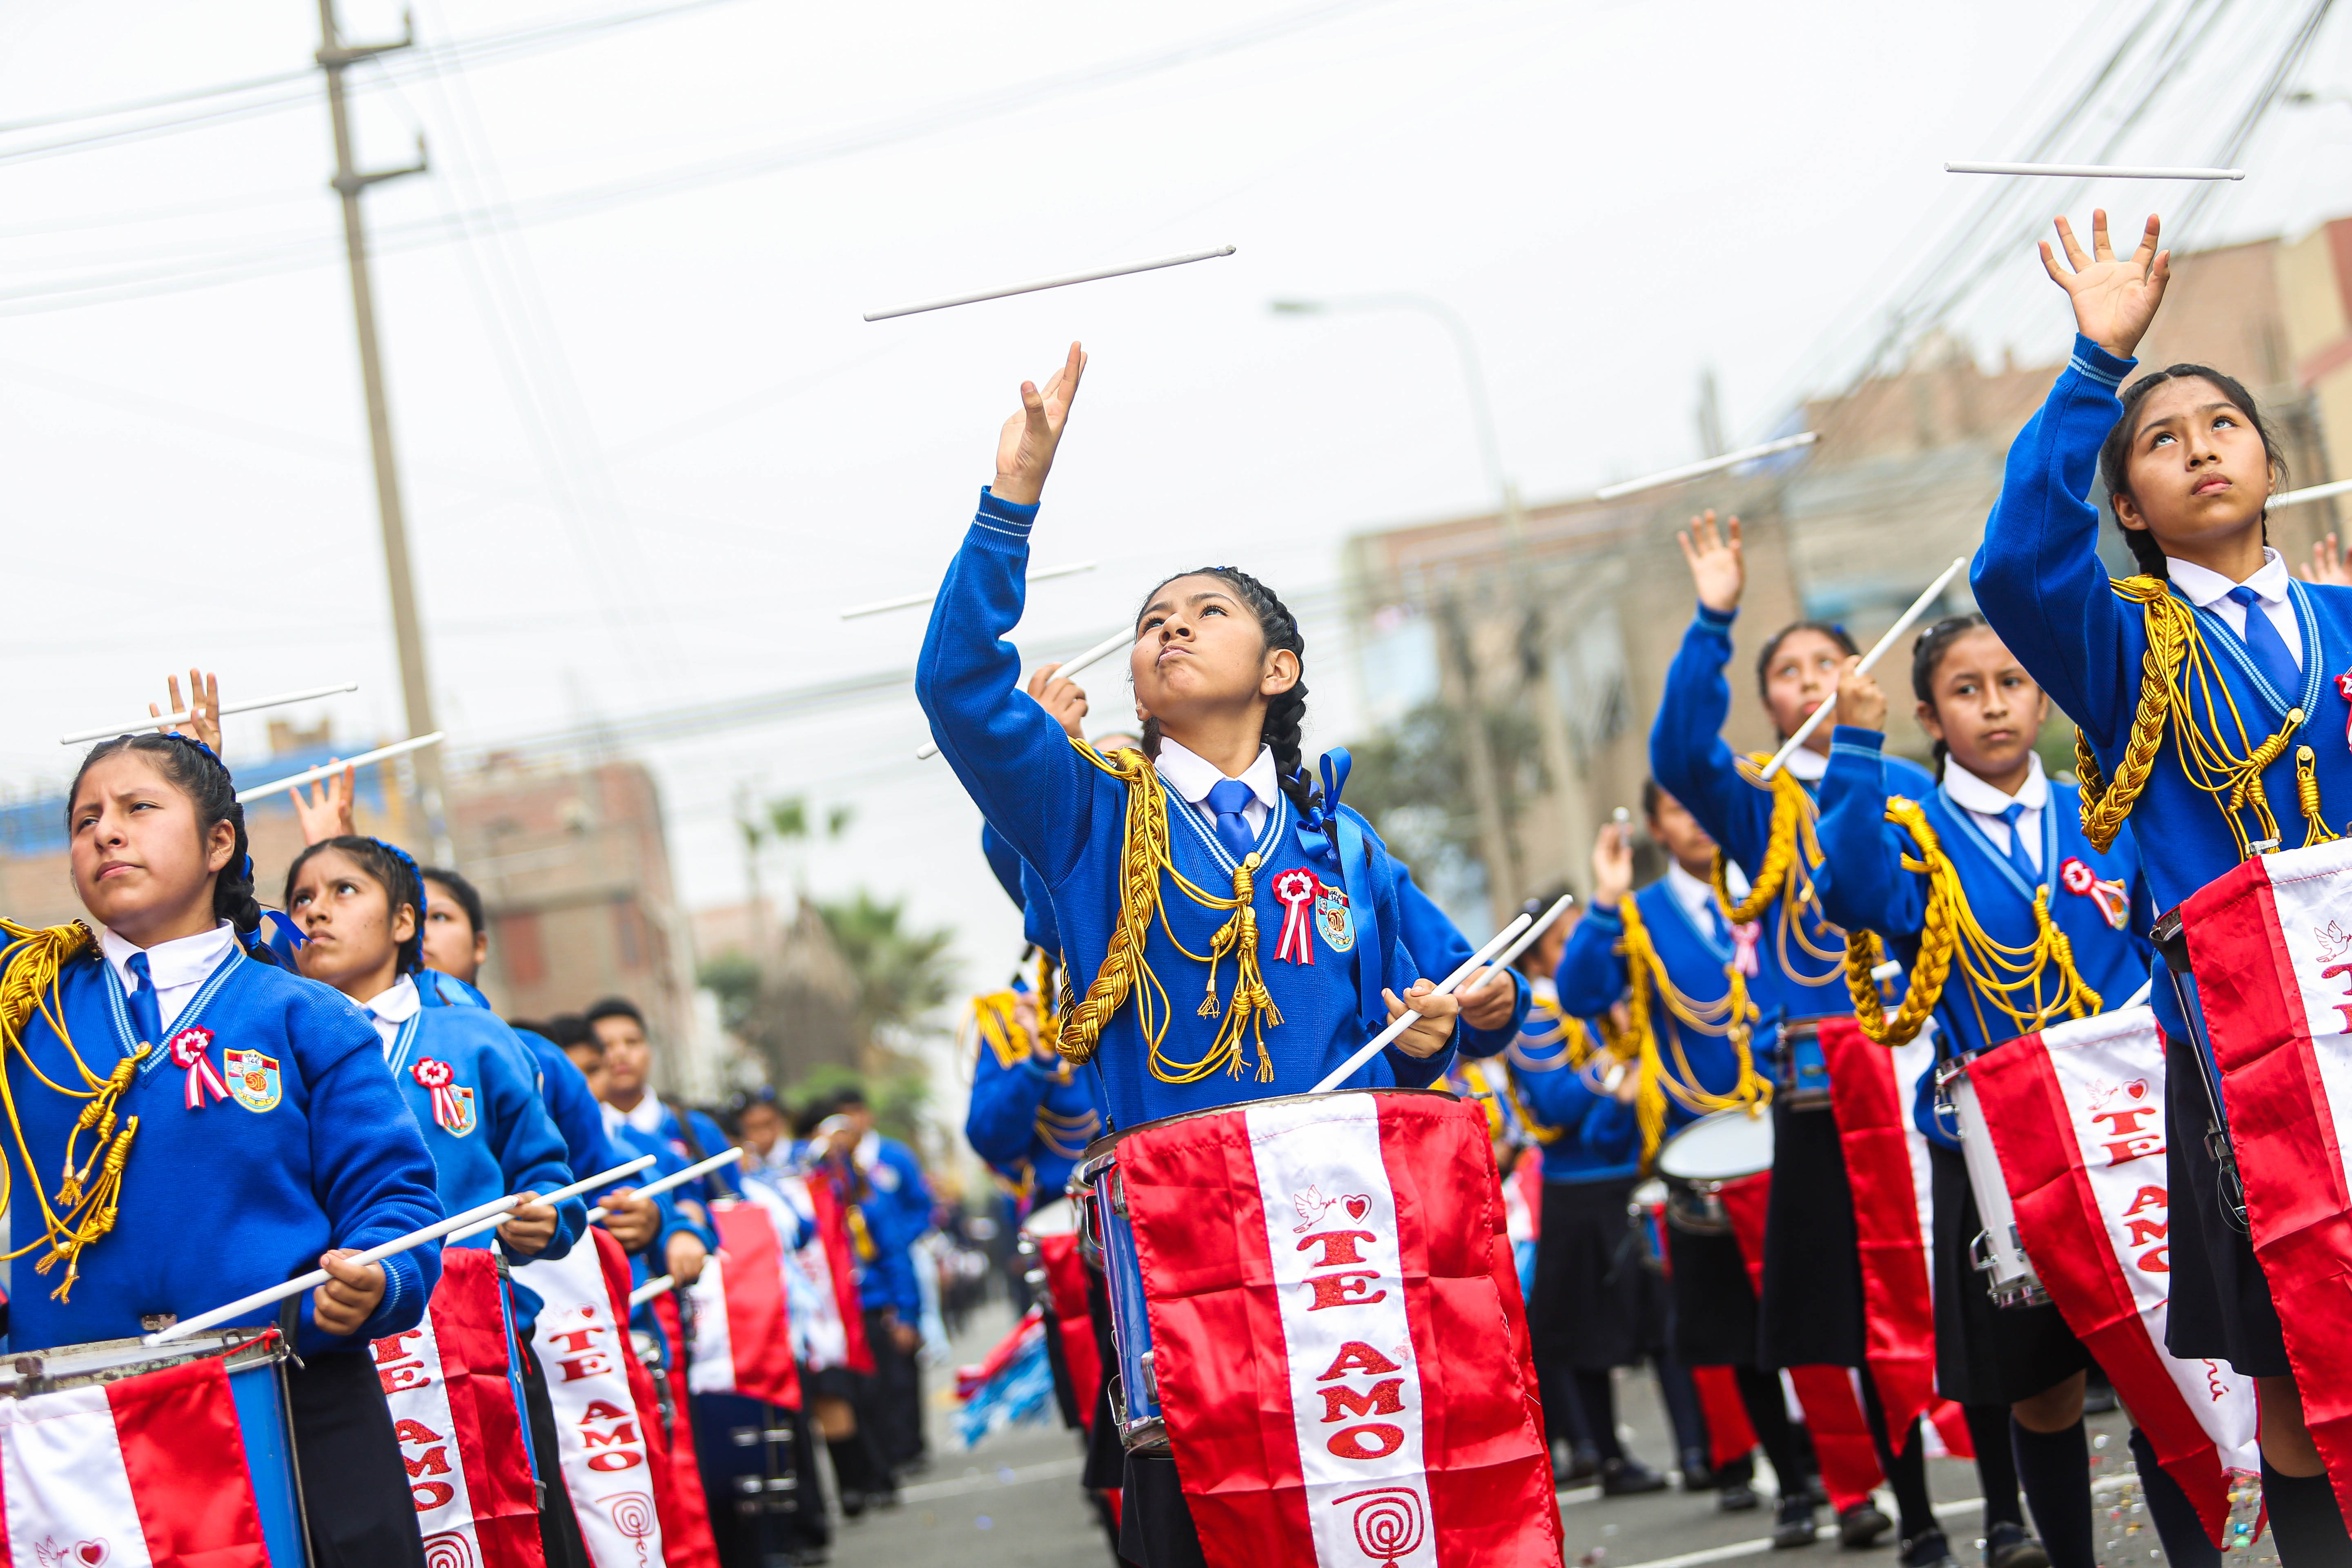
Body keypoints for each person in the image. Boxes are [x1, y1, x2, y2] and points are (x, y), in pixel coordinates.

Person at [913, 343, 1467, 1566]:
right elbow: (957, 688)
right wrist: (1012, 499)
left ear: (1280, 669)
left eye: (1205, 610)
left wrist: (1447, 1021)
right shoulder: (1089, 812)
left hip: (1338, 1237)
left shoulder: (1345, 840)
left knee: (1366, 1506)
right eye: (1151, 620)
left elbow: (1474, 990)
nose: (1170, 626)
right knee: (1213, 1520)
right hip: (1181, 1245)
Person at [1973, 208, 2352, 1562]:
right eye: (2162, 438)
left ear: (2271, 457)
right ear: (2127, 503)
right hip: (2248, 1064)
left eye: (2224, 426)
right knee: (2301, 1377)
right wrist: (2095, 366)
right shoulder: (2122, 644)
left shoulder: (2345, 619)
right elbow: (2015, 563)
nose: (2200, 447)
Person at [9, 725, 445, 1568]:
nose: (106, 831)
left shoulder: (305, 1014)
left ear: (219, 842)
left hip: (288, 1401)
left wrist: (377, 1277)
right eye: (84, 819)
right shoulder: (24, 1014)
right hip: (77, 1426)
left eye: (139, 808)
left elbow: (394, 1200)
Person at [1813, 617, 2162, 1568]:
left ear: (2040, 695)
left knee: (2160, 1364)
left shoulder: (2100, 810)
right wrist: (1851, 741)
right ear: (1926, 716)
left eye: (2009, 680)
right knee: (2039, 1385)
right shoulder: (1914, 835)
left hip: (2125, 1121)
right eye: (1964, 689)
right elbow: (1845, 893)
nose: (1993, 702)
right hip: (1995, 1143)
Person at [1650, 510, 1941, 1564]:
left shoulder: (1910, 786)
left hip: (1919, 1073)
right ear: (1768, 701)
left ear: (1857, 681)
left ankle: (2001, 1506)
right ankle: (1909, 1509)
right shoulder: (1754, 803)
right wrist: (1713, 616)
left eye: (1827, 661)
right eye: (1786, 670)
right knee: (1855, 1312)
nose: (1808, 678)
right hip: (1818, 1090)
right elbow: (1677, 748)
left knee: (1975, 1288)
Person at [282, 834, 598, 1568]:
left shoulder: (476, 1038)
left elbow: (550, 1174)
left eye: (343, 892)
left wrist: (546, 1216)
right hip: (343, 1348)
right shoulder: (281, 1039)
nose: (315, 913)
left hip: (482, 1347)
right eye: (301, 899)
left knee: (515, 1530)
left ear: (404, 924)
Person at [1564, 794, 1828, 1541]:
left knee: (1818, 1315)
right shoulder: (1640, 915)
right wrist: (1607, 900)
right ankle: (1793, 1487)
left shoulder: (1772, 884)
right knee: (1743, 1337)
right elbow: (1585, 994)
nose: (1700, 821)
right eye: (1679, 810)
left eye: (1704, 801)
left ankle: (1850, 1478)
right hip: (1701, 1150)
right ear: (1655, 829)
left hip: (1794, 1128)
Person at [590, 996, 739, 1205]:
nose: (621, 1054)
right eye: (605, 1046)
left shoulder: (698, 1130)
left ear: (649, 1050)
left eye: (632, 1042)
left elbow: (735, 1202)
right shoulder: (585, 1138)